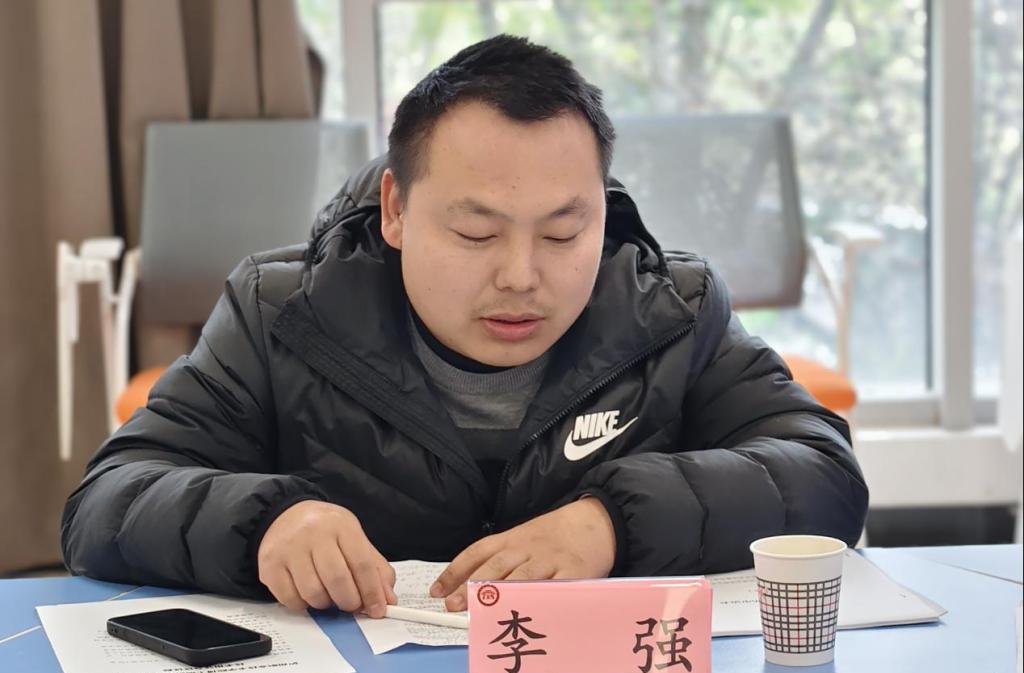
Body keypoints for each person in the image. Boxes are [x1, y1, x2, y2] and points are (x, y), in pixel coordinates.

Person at [61, 35, 868, 618]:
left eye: (564, 233)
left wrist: (614, 522)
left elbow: (824, 474)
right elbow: (106, 502)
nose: (520, 275)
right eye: (476, 233)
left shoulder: (671, 309)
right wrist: (265, 522)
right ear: (396, 210)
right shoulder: (282, 313)